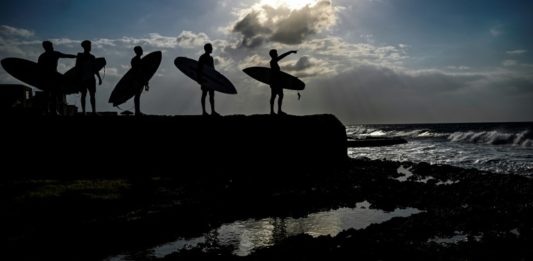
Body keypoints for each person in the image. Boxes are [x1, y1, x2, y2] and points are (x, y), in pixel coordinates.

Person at [38, 41, 76, 115]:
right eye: (51, 46)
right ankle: (49, 110)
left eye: (52, 45)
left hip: (51, 77)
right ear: (46, 47)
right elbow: (39, 69)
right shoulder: (49, 55)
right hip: (49, 77)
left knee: (52, 95)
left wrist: (76, 56)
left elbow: (66, 55)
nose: (52, 47)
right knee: (50, 95)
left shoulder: (45, 55)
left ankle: (52, 110)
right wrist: (76, 56)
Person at [75, 40, 102, 115]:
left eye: (90, 46)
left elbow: (95, 69)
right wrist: (77, 79)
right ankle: (84, 111)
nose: (90, 47)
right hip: (82, 78)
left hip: (91, 78)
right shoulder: (80, 56)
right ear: (84, 47)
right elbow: (77, 68)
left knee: (92, 95)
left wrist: (99, 78)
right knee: (83, 95)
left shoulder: (92, 57)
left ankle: (93, 111)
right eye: (89, 46)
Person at [269, 49, 297, 115]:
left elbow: (280, 74)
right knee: (274, 96)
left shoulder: (274, 62)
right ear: (273, 54)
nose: (277, 54)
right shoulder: (273, 61)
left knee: (279, 96)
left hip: (278, 82)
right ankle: (273, 111)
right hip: (275, 82)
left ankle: (278, 111)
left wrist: (293, 79)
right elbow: (282, 56)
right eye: (276, 53)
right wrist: (290, 52)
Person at [198, 43, 219, 116]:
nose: (212, 49)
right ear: (207, 49)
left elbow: (212, 69)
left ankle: (213, 111)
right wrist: (199, 79)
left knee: (212, 95)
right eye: (211, 48)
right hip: (204, 79)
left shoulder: (211, 58)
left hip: (211, 80)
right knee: (204, 94)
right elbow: (199, 68)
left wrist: (215, 78)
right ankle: (204, 112)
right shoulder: (202, 57)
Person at [131, 46, 150, 116]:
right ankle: (137, 112)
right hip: (137, 80)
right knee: (137, 95)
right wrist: (145, 81)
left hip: (139, 80)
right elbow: (138, 71)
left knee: (138, 96)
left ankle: (137, 111)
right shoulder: (136, 60)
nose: (142, 51)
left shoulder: (137, 60)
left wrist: (145, 82)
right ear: (137, 51)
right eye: (141, 50)